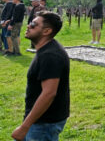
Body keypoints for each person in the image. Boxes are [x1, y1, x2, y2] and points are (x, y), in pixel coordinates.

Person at [11, 11, 69, 141]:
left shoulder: (50, 55)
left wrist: (25, 127)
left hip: (44, 124)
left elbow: (49, 93)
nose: (28, 26)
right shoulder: (46, 49)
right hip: (39, 121)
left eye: (33, 24)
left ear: (46, 31)